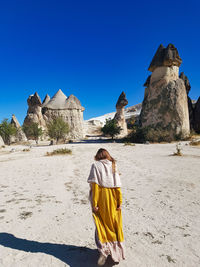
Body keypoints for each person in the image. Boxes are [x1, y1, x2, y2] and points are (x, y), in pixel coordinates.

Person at [87, 148, 125, 266]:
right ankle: (116, 253)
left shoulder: (95, 165)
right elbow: (118, 186)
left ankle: (104, 250)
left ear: (97, 156)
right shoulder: (113, 165)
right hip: (113, 198)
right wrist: (119, 201)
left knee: (101, 224)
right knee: (114, 225)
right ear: (107, 155)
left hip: (102, 198)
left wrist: (95, 203)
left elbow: (95, 187)